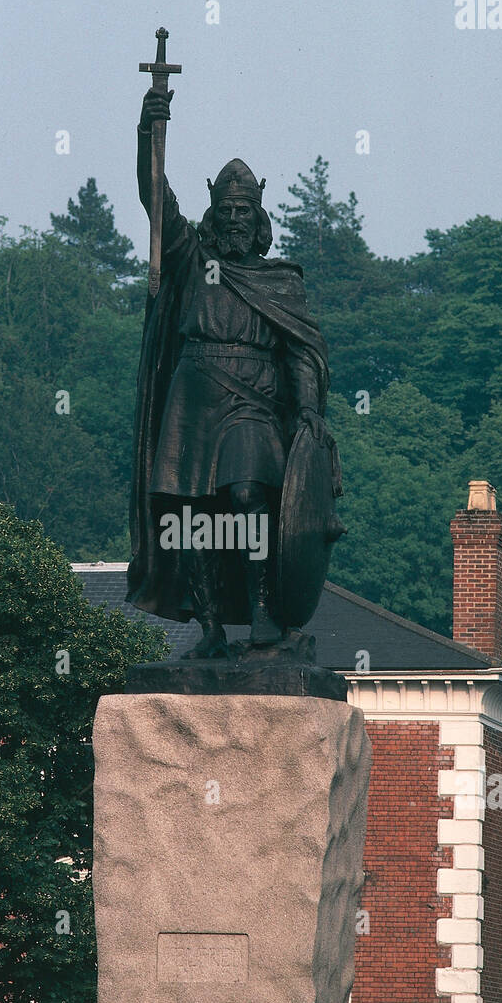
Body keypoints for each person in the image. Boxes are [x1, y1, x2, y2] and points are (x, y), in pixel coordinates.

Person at [127, 84, 331, 657]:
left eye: (245, 210)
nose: (235, 218)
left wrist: (310, 411)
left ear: (259, 216)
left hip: (252, 405)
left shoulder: (281, 280)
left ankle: (266, 612)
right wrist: (150, 131)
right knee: (189, 514)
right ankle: (210, 628)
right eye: (227, 209)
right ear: (214, 212)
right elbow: (154, 196)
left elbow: (301, 354)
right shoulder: (192, 258)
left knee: (247, 498)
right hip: (192, 401)